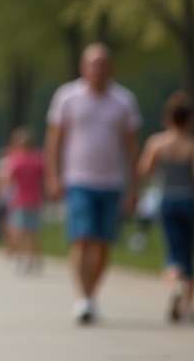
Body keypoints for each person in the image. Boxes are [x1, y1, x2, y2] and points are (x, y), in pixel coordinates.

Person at [45, 43, 141, 324]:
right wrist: (53, 176)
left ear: (110, 68)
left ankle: (91, 295)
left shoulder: (124, 101)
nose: (97, 69)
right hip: (78, 179)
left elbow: (132, 146)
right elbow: (54, 141)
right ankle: (83, 299)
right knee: (82, 237)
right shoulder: (67, 97)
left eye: (103, 64)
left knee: (103, 243)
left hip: (111, 181)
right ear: (83, 67)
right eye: (93, 63)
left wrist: (135, 187)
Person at [137, 92, 194, 323]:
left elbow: (144, 169)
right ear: (189, 120)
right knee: (189, 253)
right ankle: (189, 306)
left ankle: (174, 285)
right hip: (188, 199)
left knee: (173, 251)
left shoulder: (157, 143)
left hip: (167, 199)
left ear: (167, 118)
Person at [1, 127, 45, 274]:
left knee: (19, 231)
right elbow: (43, 179)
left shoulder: (16, 159)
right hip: (35, 199)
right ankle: (33, 260)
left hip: (19, 199)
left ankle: (20, 258)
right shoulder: (39, 159)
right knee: (33, 232)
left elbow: (9, 179)